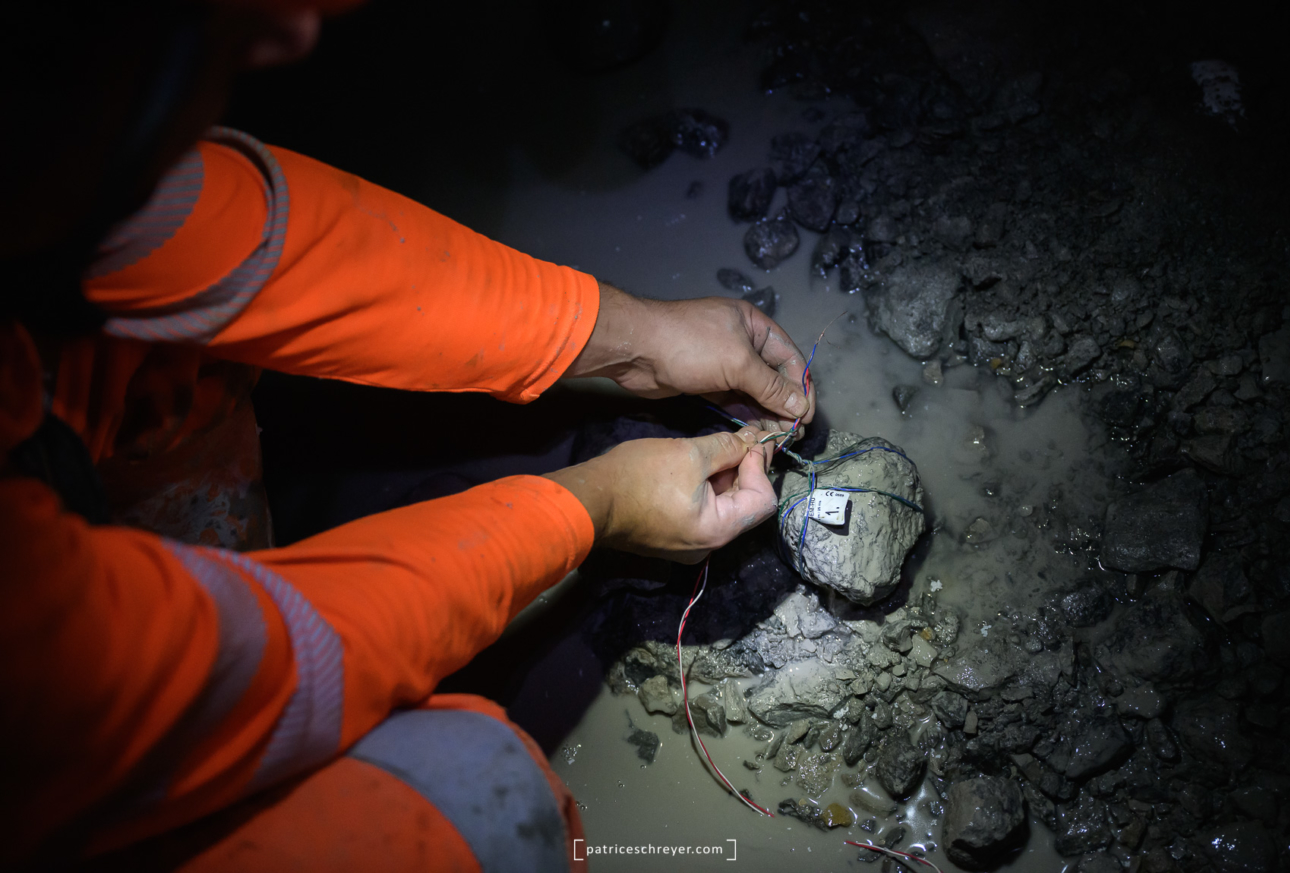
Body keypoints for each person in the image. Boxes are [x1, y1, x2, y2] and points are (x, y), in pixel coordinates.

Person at [0, 1, 816, 870]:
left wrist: (634, 337)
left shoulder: (61, 170)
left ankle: (203, 556)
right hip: (49, 742)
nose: (296, 31)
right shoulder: (29, 627)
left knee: (165, 349)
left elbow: (248, 241)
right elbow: (272, 664)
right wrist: (598, 505)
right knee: (482, 801)